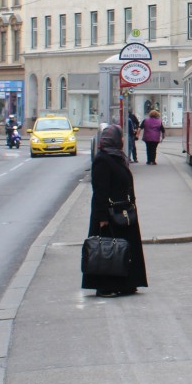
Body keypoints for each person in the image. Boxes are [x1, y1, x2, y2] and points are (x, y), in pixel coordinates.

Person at [81, 124, 147, 297]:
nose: (124, 139)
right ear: (114, 139)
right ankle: (105, 286)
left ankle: (127, 284)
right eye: (121, 137)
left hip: (123, 212)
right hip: (109, 214)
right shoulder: (102, 159)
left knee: (124, 251)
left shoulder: (117, 156)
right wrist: (101, 217)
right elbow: (100, 191)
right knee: (108, 251)